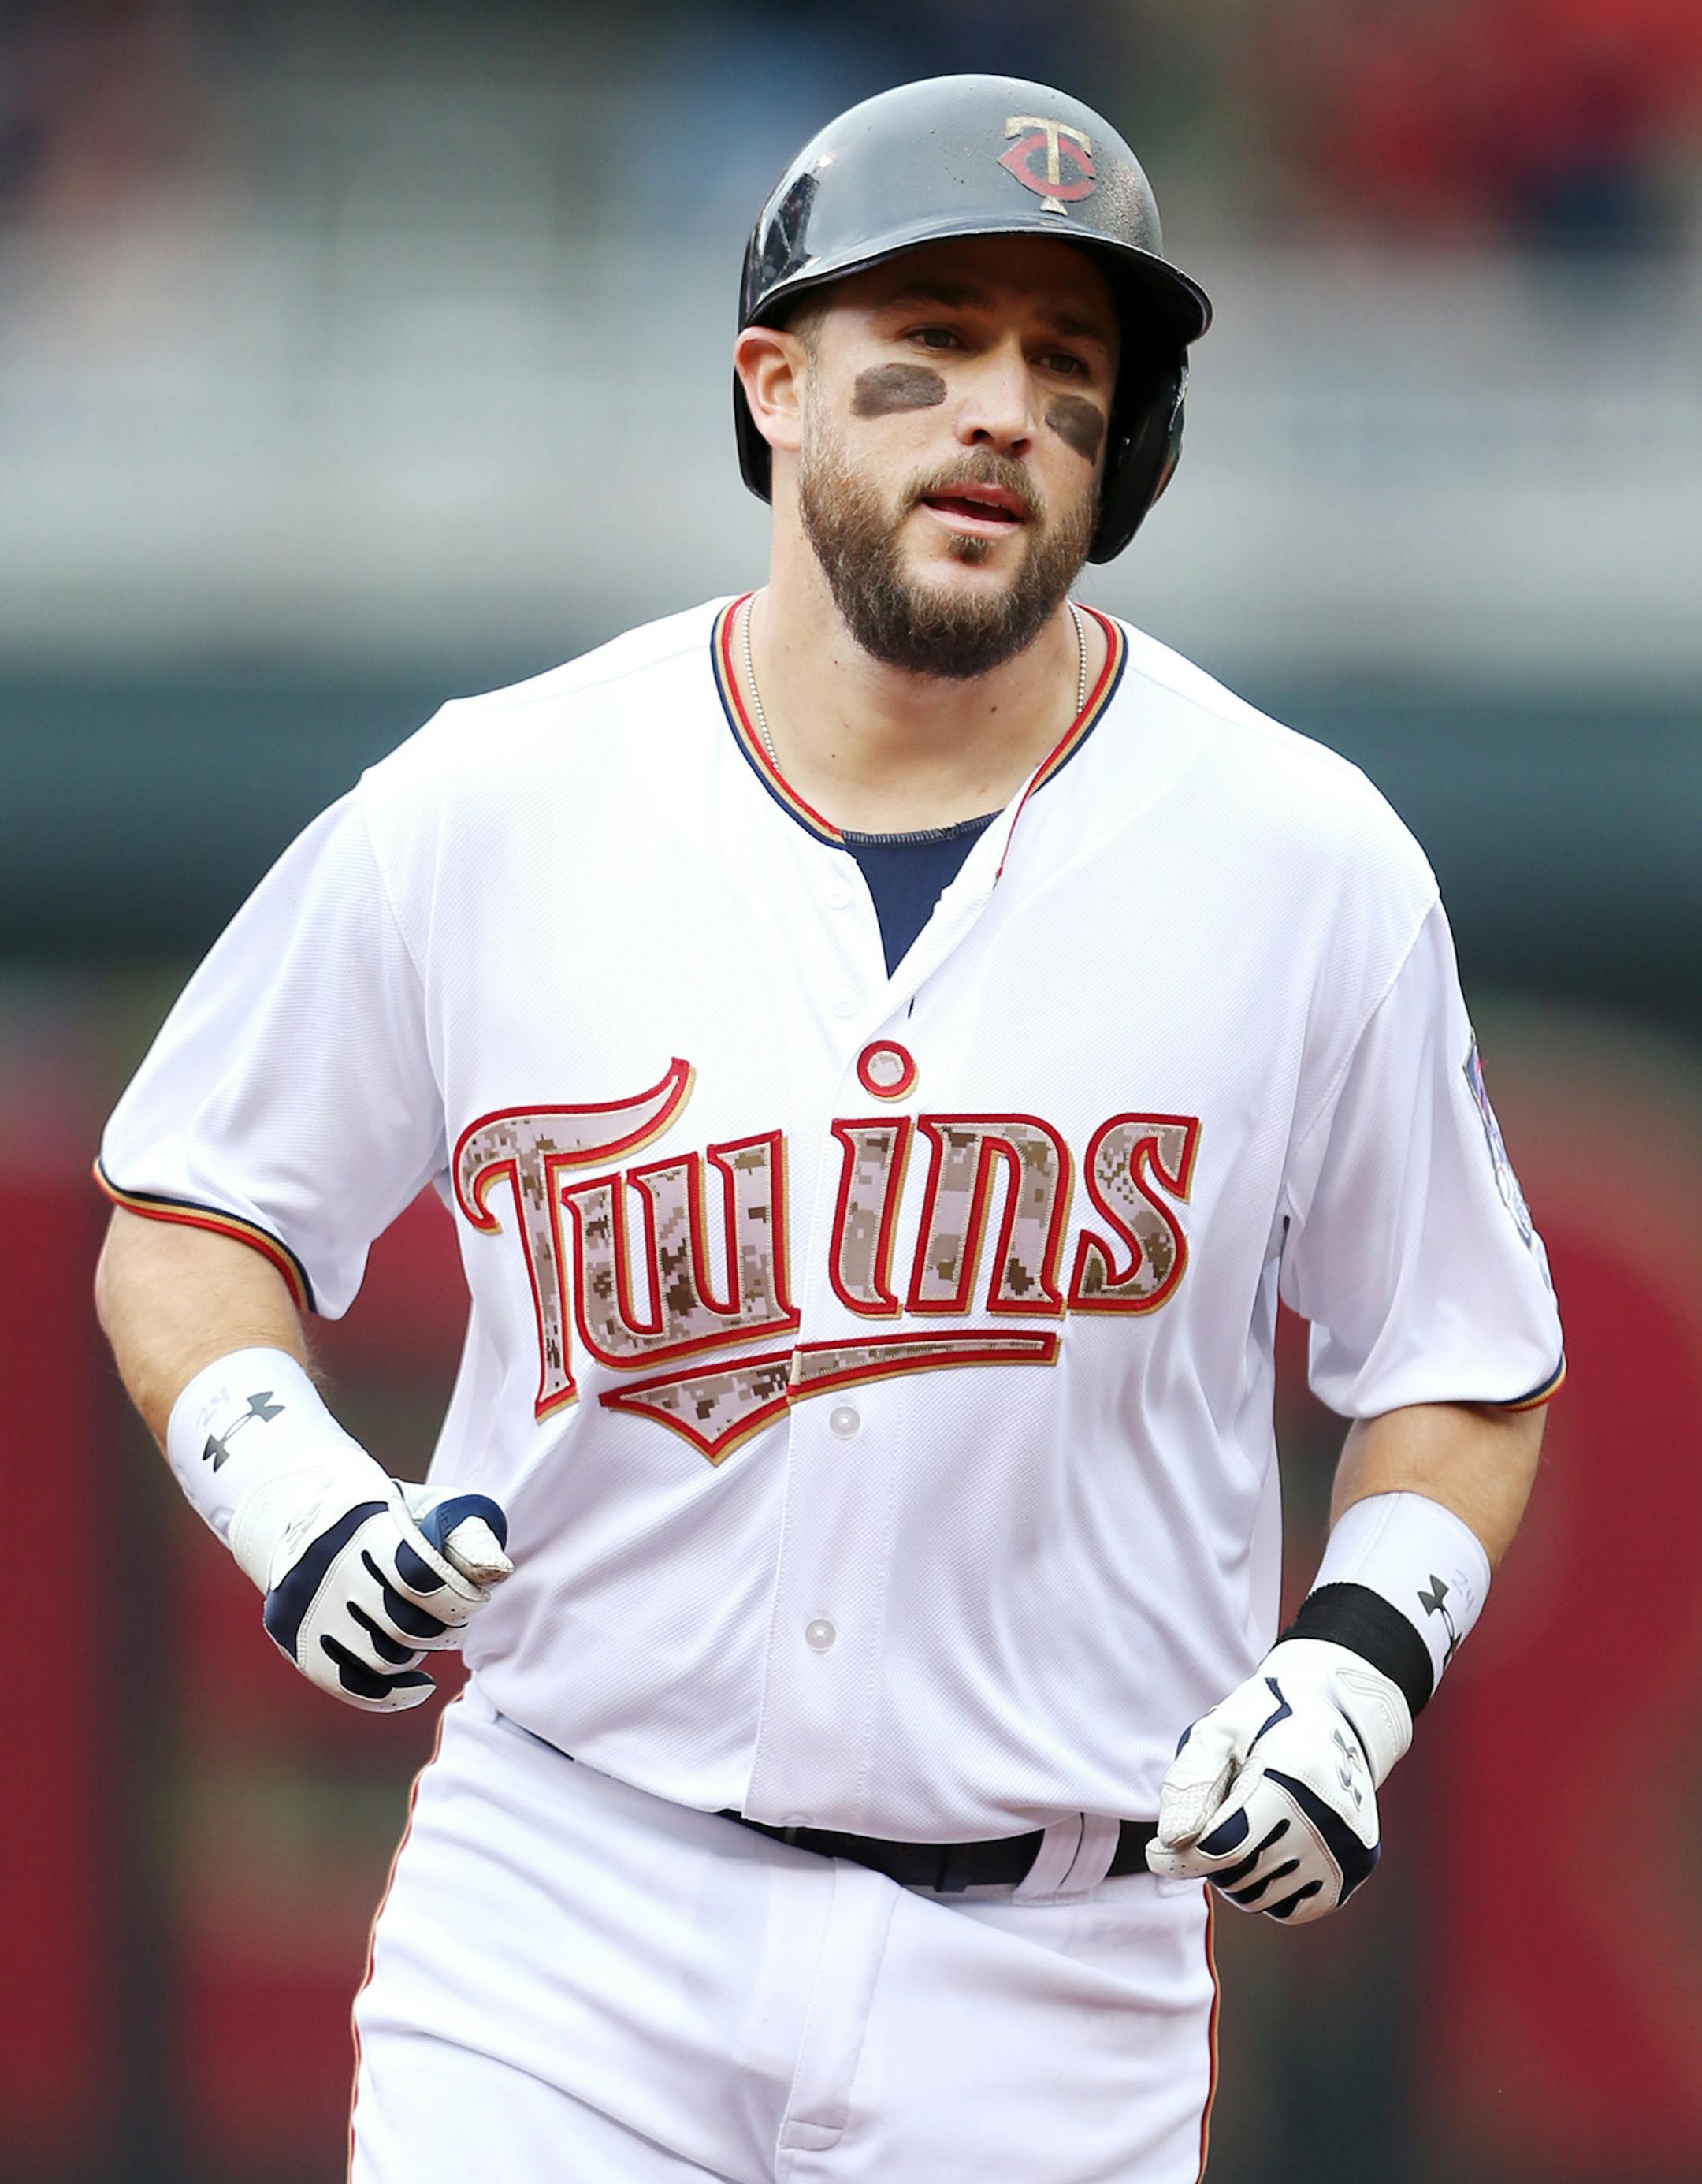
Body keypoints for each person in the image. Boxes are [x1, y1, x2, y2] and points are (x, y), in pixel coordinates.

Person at [92, 74, 1563, 2184]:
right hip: (566, 1901)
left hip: (1056, 1974)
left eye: (1070, 369)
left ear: (1124, 452)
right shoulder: (500, 798)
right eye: (936, 342)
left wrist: (1359, 1663)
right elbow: (191, 1204)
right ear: (775, 387)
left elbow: (1460, 1360)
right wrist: (294, 1491)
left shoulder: (1300, 859)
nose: (1003, 409)